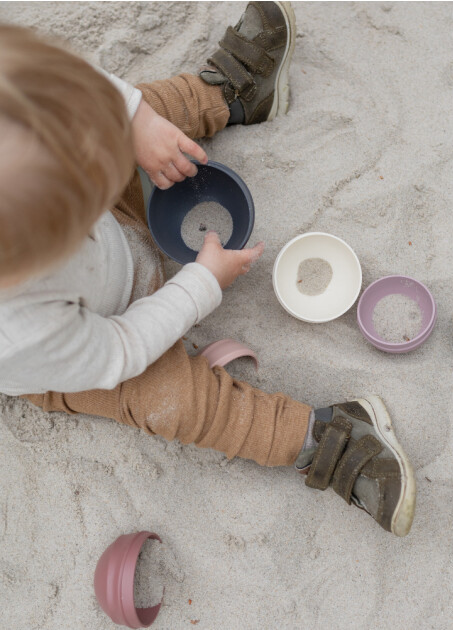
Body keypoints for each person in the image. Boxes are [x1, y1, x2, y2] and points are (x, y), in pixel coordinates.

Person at [0, 1, 416, 536]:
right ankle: (322, 438)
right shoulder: (19, 332)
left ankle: (229, 95)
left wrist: (133, 120)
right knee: (169, 402)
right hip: (94, 344)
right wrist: (200, 285)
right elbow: (119, 349)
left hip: (76, 231)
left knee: (148, 116)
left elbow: (62, 85)